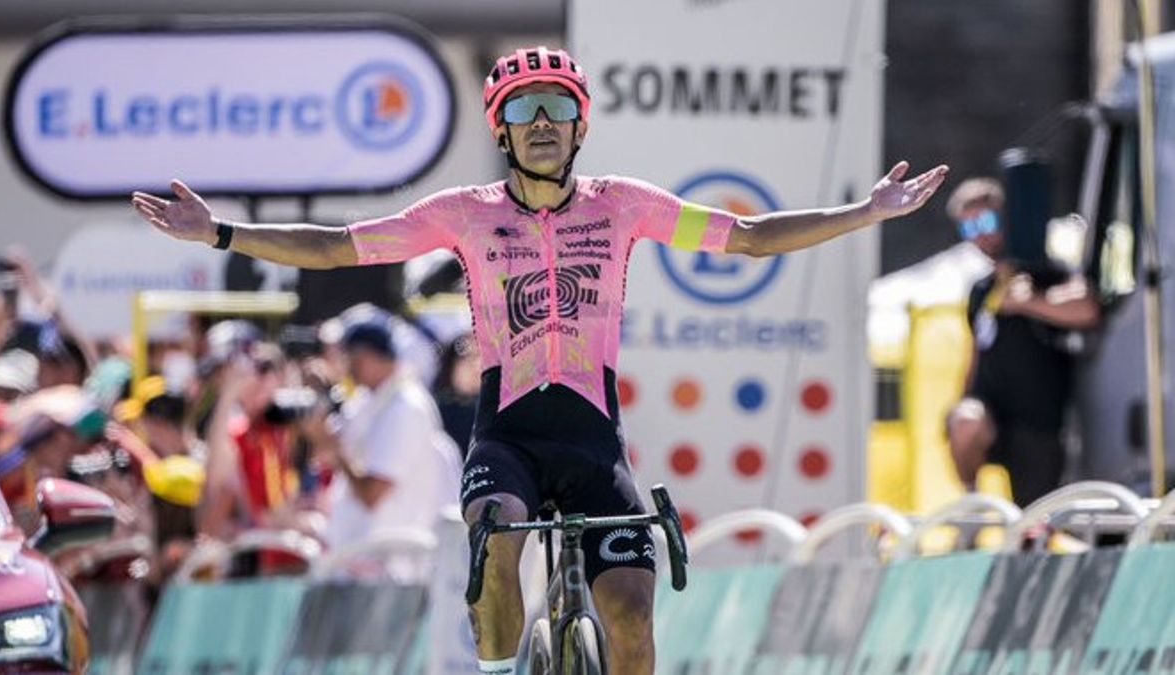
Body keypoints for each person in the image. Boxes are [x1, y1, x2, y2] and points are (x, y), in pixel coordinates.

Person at [132, 45, 946, 675]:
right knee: (496, 583)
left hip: (594, 442)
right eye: (525, 110)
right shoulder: (464, 215)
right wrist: (222, 232)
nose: (545, 120)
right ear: (504, 131)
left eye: (560, 105)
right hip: (508, 438)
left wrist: (864, 212)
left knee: (630, 609)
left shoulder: (623, 205)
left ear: (581, 125)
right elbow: (339, 247)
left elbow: (753, 236)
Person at [944, 178, 1100, 507]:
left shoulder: (1045, 271)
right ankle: (970, 503)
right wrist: (960, 403)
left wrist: (1029, 303)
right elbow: (976, 351)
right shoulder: (981, 288)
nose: (981, 235)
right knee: (965, 421)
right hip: (993, 416)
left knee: (1034, 519)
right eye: (969, 228)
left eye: (987, 222)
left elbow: (1087, 309)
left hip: (1038, 422)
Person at [302, 318, 460, 566]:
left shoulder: (407, 408)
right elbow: (323, 454)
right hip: (361, 559)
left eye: (348, 357)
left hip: (392, 564)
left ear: (364, 357)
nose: (346, 367)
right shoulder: (367, 400)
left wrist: (338, 453)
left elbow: (373, 494)